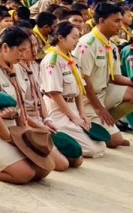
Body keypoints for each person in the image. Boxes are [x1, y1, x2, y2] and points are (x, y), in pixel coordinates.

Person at [0, 28, 50, 185]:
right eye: (21, 50)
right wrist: (9, 139)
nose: (23, 55)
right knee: (24, 174)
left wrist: (23, 132)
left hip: (12, 129)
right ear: (5, 47)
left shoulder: (14, 67)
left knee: (42, 169)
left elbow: (20, 105)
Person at [73, 2, 133, 148]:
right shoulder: (87, 44)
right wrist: (99, 108)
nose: (121, 25)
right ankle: (89, 125)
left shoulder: (110, 44)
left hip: (103, 93)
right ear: (102, 21)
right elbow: (84, 80)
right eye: (116, 21)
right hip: (86, 100)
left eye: (121, 20)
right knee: (115, 141)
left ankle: (108, 124)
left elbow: (115, 77)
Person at [40, 22, 107, 158]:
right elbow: (54, 94)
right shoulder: (52, 60)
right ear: (60, 38)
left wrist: (82, 114)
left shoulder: (70, 59)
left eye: (78, 37)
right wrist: (74, 118)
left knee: (101, 145)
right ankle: (52, 139)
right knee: (92, 150)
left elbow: (78, 89)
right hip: (57, 110)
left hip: (72, 107)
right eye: (74, 37)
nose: (77, 41)